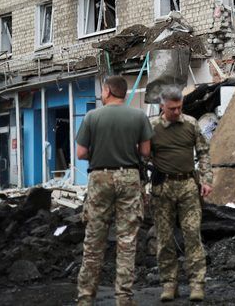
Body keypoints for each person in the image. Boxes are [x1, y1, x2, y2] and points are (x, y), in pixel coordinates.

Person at [75, 75, 153, 306]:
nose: (101, 93)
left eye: (102, 90)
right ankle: (124, 298)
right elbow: (146, 152)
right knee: (127, 240)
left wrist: (99, 150)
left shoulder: (92, 116)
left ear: (108, 91)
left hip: (99, 177)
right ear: (124, 93)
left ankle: (85, 298)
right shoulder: (138, 116)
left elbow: (80, 153)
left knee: (94, 241)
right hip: (129, 177)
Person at [150, 86, 213, 302]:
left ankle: (197, 283)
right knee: (165, 238)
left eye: (179, 107)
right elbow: (142, 156)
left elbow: (204, 152)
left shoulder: (191, 124)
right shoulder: (152, 127)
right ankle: (169, 284)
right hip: (163, 188)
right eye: (172, 108)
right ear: (162, 106)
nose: (177, 112)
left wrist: (206, 180)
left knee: (192, 234)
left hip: (187, 186)